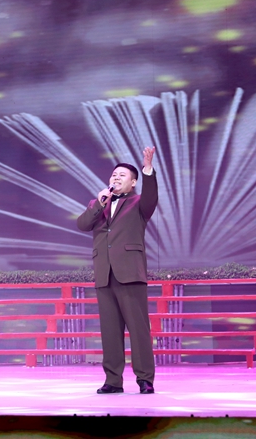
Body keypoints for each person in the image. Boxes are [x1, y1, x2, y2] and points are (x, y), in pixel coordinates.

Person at [76, 147, 158, 395]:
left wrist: (147, 169)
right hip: (105, 274)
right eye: (114, 174)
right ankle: (113, 380)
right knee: (110, 332)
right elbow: (82, 224)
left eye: (122, 175)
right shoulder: (98, 204)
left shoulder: (139, 203)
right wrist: (98, 205)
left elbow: (151, 196)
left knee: (138, 329)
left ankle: (145, 379)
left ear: (133, 183)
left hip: (130, 272)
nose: (116, 177)